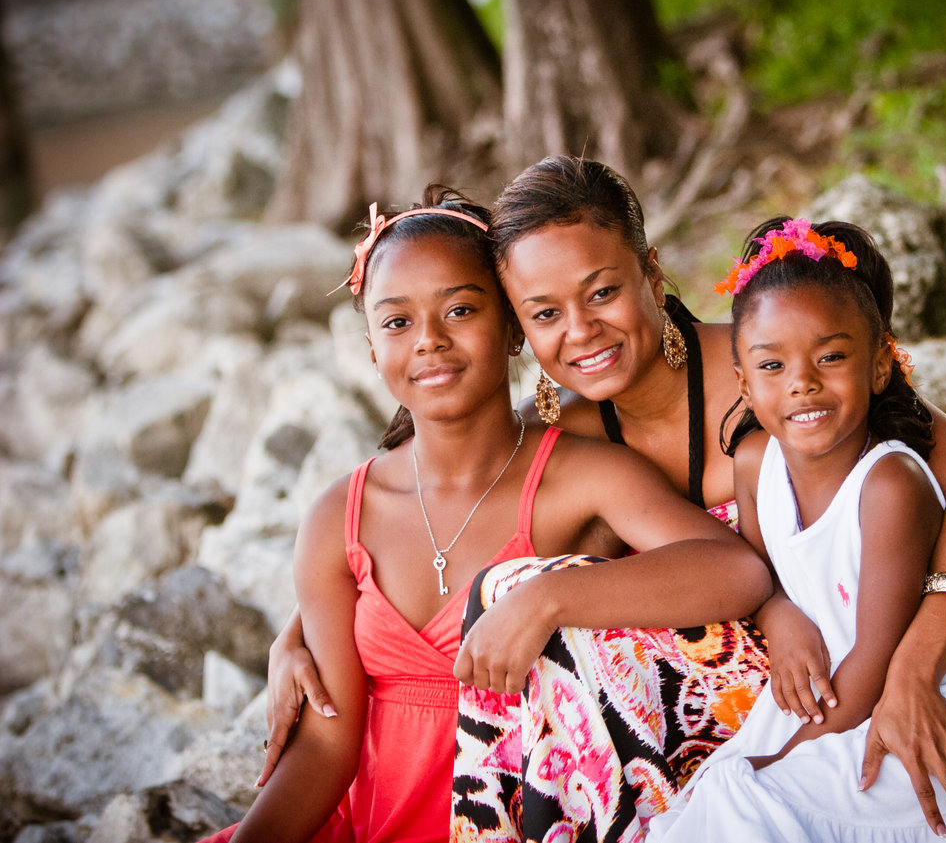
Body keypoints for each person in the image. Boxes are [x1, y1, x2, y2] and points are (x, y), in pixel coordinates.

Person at [264, 156, 946, 836]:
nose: (582, 332)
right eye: (545, 313)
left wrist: (913, 673)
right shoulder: (570, 425)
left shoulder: (777, 366)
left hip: (872, 653)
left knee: (539, 598)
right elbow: (446, 512)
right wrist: (304, 626)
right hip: (732, 699)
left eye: (602, 292)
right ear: (519, 326)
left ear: (653, 275)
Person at [207, 188, 771, 843]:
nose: (430, 341)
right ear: (368, 346)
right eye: (397, 322)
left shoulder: (580, 473)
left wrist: (550, 597)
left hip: (526, 812)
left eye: (461, 309)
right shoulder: (340, 513)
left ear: (511, 330)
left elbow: (731, 566)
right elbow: (328, 743)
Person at [644, 217, 946, 842]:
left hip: (913, 695)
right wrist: (777, 615)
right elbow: (764, 573)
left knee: (753, 801)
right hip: (826, 701)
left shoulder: (891, 483)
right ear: (742, 379)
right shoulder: (754, 460)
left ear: (880, 366)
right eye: (772, 364)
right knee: (712, 807)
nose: (802, 382)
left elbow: (875, 656)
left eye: (831, 357)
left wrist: (782, 760)